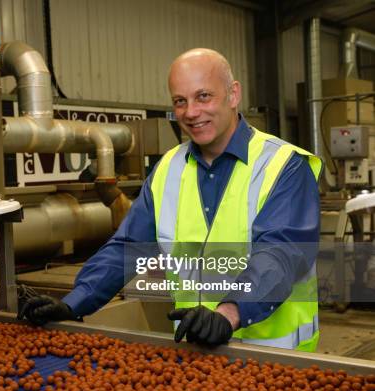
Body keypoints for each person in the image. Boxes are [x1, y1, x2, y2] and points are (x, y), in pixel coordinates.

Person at [18, 48, 322, 351]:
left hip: (277, 358)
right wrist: (74, 304)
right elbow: (127, 248)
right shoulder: (168, 169)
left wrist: (229, 313)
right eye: (180, 101)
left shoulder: (283, 165)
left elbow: (281, 253)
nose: (190, 112)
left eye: (203, 96)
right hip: (195, 351)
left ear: (233, 94)